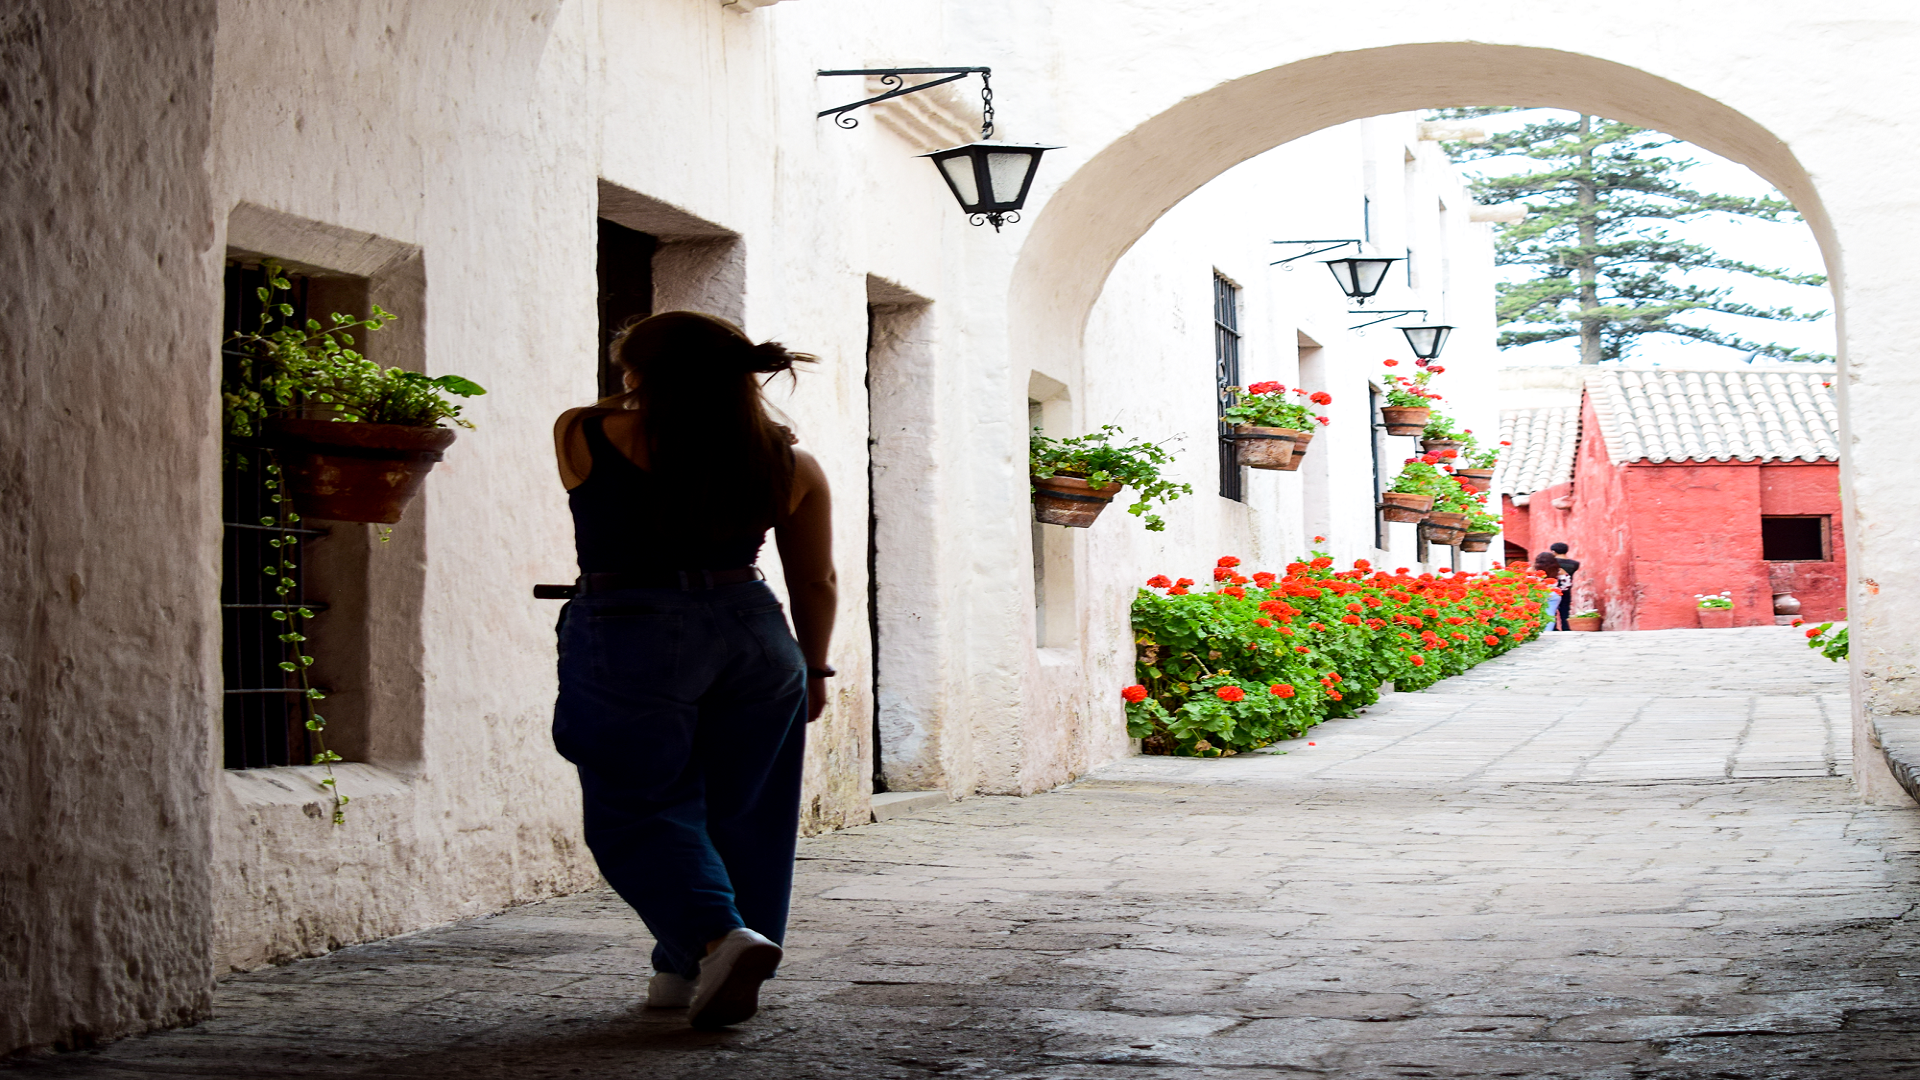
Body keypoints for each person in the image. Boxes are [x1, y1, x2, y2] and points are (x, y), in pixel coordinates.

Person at [549, 311, 836, 1031]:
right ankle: (683, 972)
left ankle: (714, 940)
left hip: (631, 629)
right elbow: (817, 583)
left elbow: (618, 411)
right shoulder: (790, 463)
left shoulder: (585, 433)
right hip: (754, 631)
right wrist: (817, 668)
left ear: (641, 375)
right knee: (745, 811)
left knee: (637, 804)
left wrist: (640, 385)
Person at [1550, 541, 1580, 631]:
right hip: (1566, 589)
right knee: (1565, 610)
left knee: (1552, 610)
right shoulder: (1574, 564)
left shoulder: (1552, 563)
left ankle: (1554, 628)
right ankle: (1566, 628)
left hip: (1553, 588)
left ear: (1553, 551)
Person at [1532, 549, 1564, 630]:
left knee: (1536, 613)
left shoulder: (1533, 569)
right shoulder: (1559, 570)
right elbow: (1566, 583)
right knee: (1550, 613)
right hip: (1554, 593)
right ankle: (1548, 631)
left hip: (1537, 593)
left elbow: (1527, 581)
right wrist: (1559, 590)